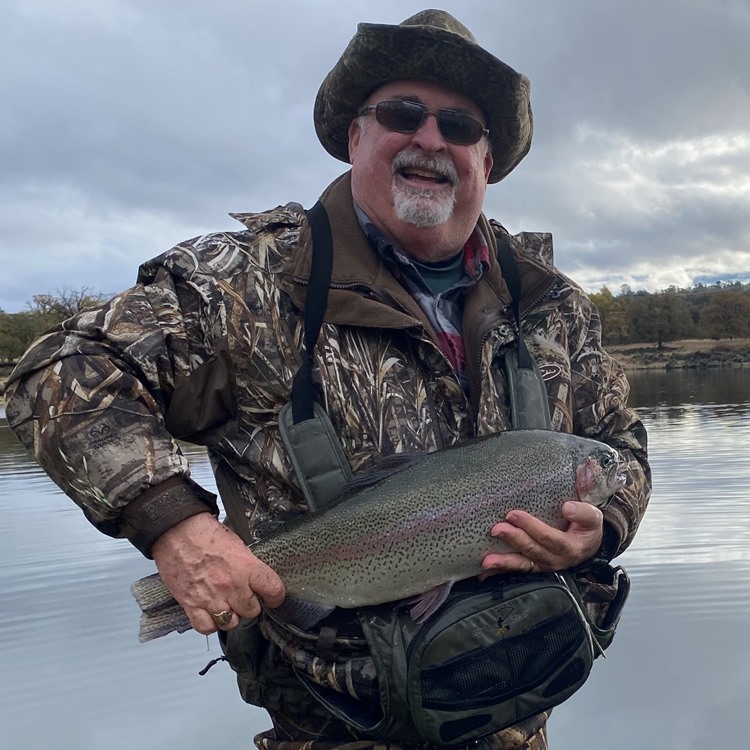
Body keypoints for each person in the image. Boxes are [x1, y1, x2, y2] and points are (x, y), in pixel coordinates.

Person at [5, 9, 650, 750]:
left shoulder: (550, 301)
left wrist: (604, 528)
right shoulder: (248, 282)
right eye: (402, 113)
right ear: (355, 135)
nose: (431, 139)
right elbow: (59, 371)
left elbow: (623, 448)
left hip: (522, 720)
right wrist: (174, 525)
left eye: (460, 126)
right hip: (329, 729)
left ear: (488, 158)